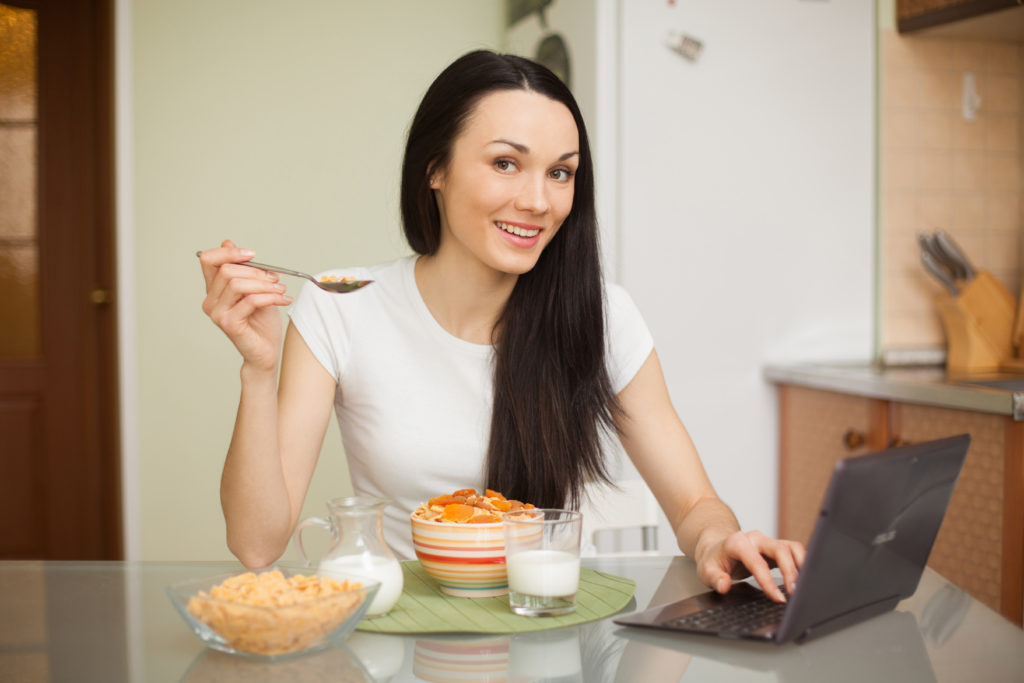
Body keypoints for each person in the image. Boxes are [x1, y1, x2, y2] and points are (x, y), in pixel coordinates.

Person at [198, 50, 804, 603]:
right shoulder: (340, 305)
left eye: (560, 173)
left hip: (550, 628)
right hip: (407, 636)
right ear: (435, 169)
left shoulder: (602, 316)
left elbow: (696, 504)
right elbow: (258, 545)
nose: (538, 201)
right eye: (506, 163)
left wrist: (716, 540)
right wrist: (258, 371)